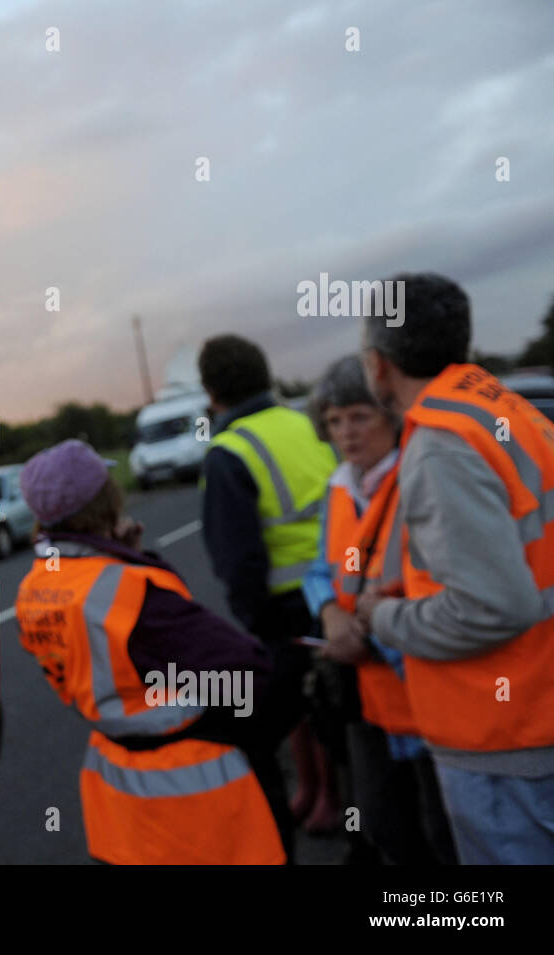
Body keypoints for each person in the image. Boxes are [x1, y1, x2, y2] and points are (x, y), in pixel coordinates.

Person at [358, 272, 554, 864]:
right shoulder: (504, 410)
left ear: (379, 365)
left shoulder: (442, 442)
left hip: (505, 739)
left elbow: (496, 605)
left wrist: (385, 616)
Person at [15, 439, 285, 864]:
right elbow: (250, 675)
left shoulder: (36, 586)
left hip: (119, 798)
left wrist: (126, 557)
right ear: (108, 501)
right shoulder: (128, 590)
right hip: (196, 796)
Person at [302, 355, 456, 864]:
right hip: (372, 701)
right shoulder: (340, 488)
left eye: (360, 416)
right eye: (334, 420)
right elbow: (320, 570)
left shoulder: (422, 476)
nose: (346, 432)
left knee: (447, 835)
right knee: (386, 826)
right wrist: (331, 616)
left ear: (390, 415)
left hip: (435, 695)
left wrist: (372, 629)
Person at [197, 334, 340, 843]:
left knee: (301, 703)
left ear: (213, 391)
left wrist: (253, 619)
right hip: (342, 586)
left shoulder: (228, 451)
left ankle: (319, 799)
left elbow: (238, 559)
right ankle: (320, 793)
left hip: (283, 605)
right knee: (324, 700)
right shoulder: (306, 424)